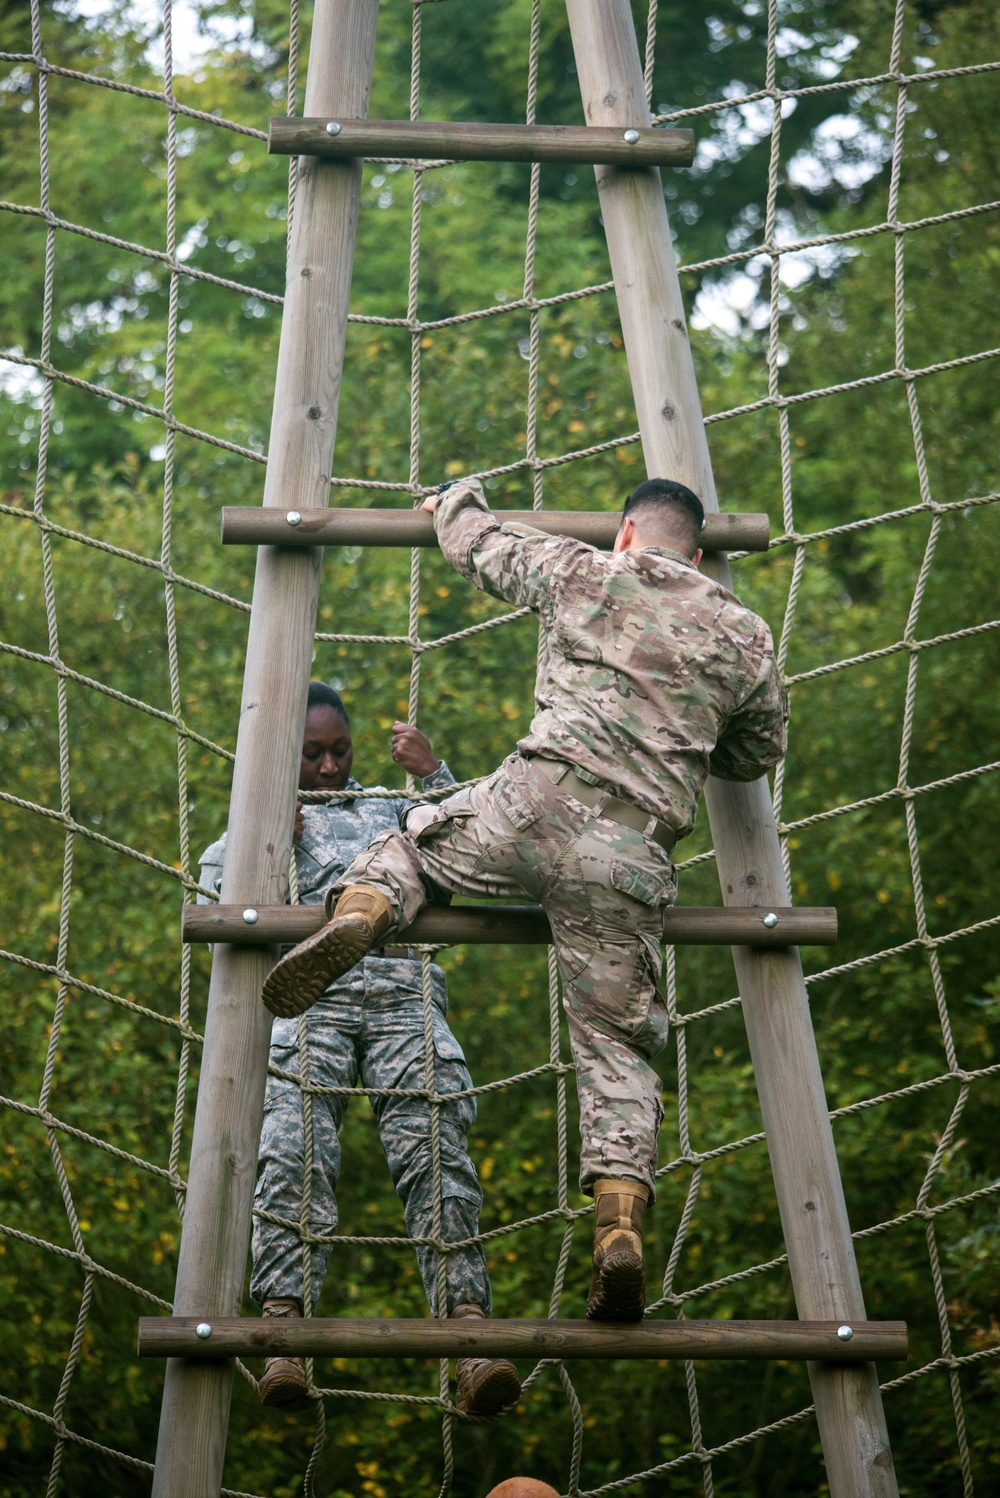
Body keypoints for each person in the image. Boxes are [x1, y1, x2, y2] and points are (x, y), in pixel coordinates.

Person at [261, 479, 788, 1322]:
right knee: (615, 1047)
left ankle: (363, 911)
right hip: (631, 850)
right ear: (697, 556)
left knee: (412, 839)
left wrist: (455, 499)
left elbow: (481, 549)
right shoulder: (744, 632)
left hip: (533, 802)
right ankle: (619, 1225)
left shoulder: (584, 572)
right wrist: (682, 726)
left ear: (624, 535)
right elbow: (757, 752)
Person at [198, 682, 521, 1415]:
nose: (327, 768)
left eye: (339, 750)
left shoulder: (384, 805)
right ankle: (284, 1333)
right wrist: (269, 836)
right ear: (284, 756)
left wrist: (433, 772)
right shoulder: (262, 819)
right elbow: (216, 881)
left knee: (437, 1153)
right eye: (311, 754)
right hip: (309, 997)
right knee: (294, 1152)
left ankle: (467, 1339)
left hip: (403, 991)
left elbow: (477, 843)